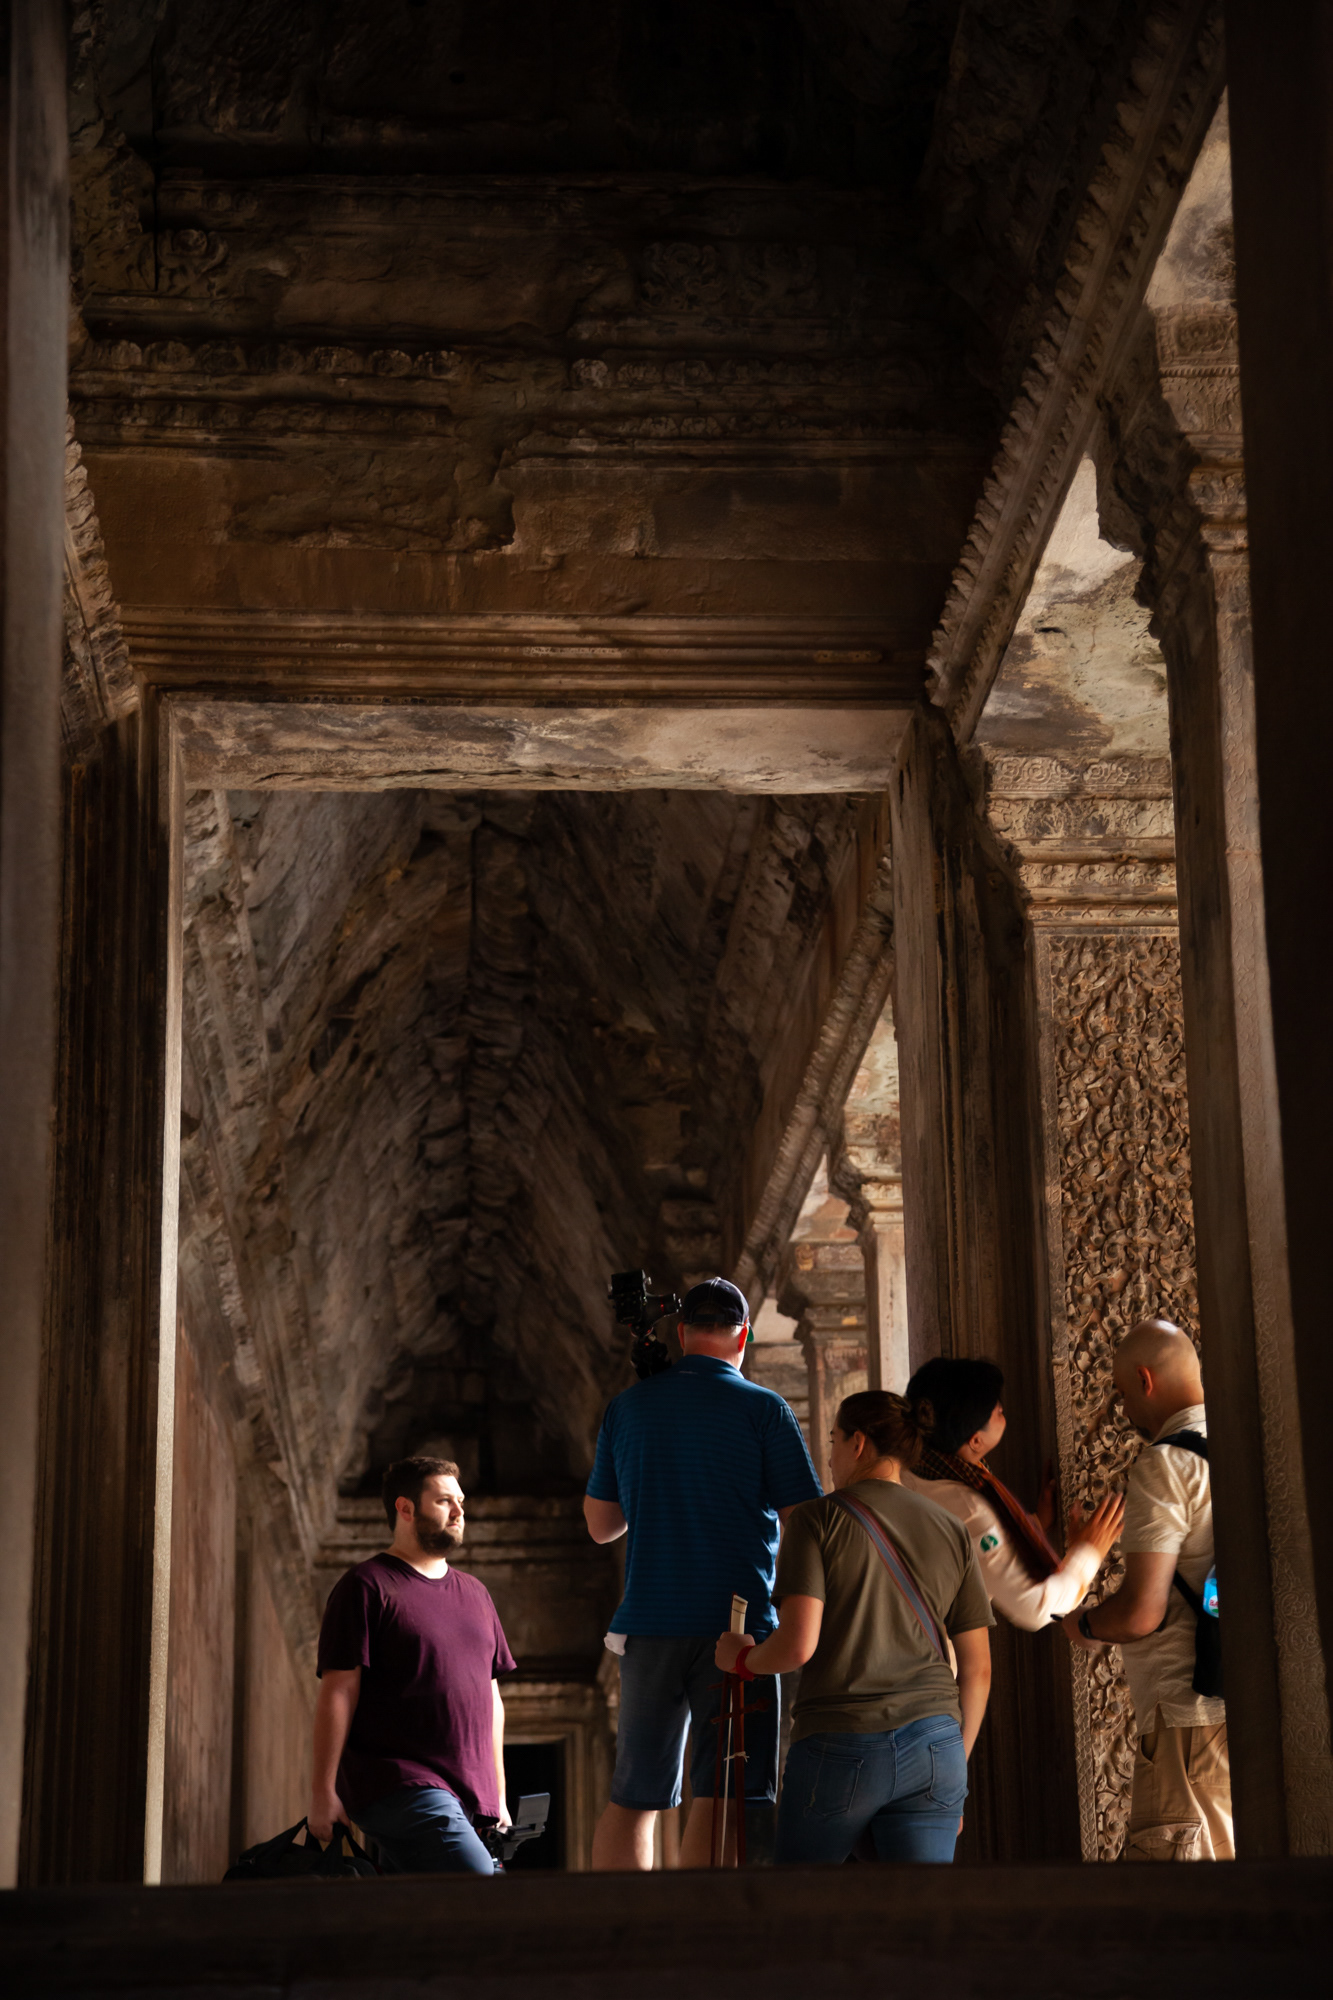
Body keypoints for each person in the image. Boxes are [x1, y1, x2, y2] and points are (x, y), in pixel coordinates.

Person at [584, 1276, 822, 1869]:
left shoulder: (627, 1408)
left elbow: (601, 1525)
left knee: (634, 1797)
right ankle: (701, 1942)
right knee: (723, 1797)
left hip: (650, 1624)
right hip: (736, 1632)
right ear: (743, 1335)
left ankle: (626, 1937)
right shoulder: (765, 1410)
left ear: (683, 1333)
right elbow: (808, 1524)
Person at [718, 1389, 993, 1865]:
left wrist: (742, 1658)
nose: (829, 1456)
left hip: (840, 1743)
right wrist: (953, 1769)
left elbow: (798, 1645)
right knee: (922, 1924)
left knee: (807, 1916)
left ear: (858, 1443)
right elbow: (978, 1670)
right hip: (937, 1747)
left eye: (833, 1440)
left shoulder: (817, 1519)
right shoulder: (952, 1528)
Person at [1062, 1318, 1231, 1861]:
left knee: (1183, 1900)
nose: (1122, 1408)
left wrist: (1082, 1625)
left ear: (1144, 1379)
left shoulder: (1167, 1464)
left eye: (1120, 1391)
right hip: (1249, 1706)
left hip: (1187, 1720)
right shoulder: (1248, 1447)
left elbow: (1141, 1611)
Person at [310, 1454, 515, 1874]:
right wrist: (322, 1791)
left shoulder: (476, 1594)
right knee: (481, 1880)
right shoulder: (366, 1586)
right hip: (399, 1782)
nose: (459, 1512)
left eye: (460, 1502)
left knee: (424, 1914)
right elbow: (339, 1691)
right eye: (444, 1502)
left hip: (470, 1792)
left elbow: (491, 1699)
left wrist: (499, 1793)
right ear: (405, 1508)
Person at [902, 1355, 1125, 1630]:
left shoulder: (912, 1469)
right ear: (975, 1440)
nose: (1000, 1407)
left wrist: (1031, 1525)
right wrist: (1087, 1553)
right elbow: (1037, 1608)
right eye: (993, 1408)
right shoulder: (971, 1510)